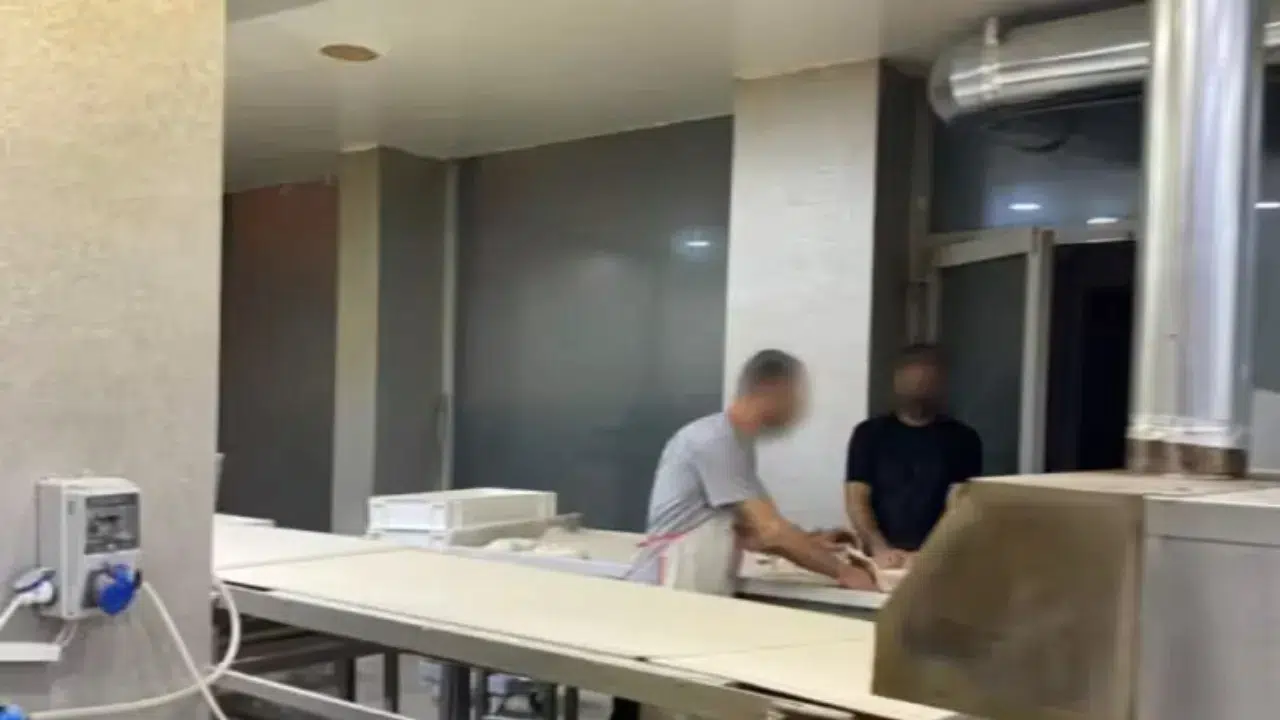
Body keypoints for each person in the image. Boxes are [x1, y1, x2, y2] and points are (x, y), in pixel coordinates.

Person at [611, 349, 875, 720]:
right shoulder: (713, 441)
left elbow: (751, 532)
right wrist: (843, 572)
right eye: (797, 396)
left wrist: (813, 542)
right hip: (664, 595)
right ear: (772, 389)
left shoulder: (737, 445)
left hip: (691, 594)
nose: (800, 409)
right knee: (652, 707)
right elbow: (771, 530)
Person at [845, 344, 982, 569]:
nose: (919, 388)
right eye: (913, 380)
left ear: (940, 384)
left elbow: (960, 503)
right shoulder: (868, 434)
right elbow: (856, 498)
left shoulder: (963, 439)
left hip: (941, 559)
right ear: (897, 382)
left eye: (927, 380)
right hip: (879, 559)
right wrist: (880, 548)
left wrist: (929, 553)